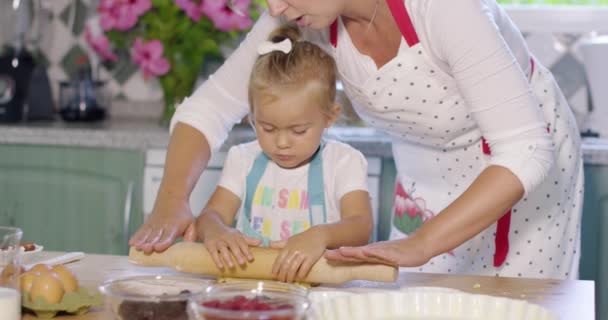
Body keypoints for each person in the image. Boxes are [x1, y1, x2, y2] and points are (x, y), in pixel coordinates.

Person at [130, 0, 583, 280]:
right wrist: (173, 201)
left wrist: (422, 244)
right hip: (424, 184)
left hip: (517, 182)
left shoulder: (444, 8)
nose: (276, 7)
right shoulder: (301, 13)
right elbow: (209, 107)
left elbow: (523, 150)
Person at [190, 26, 372, 283]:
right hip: (250, 289)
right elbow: (210, 216)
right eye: (267, 128)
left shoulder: (343, 163)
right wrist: (217, 231)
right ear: (252, 116)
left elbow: (360, 225)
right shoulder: (243, 160)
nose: (282, 143)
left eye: (298, 130)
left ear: (329, 117)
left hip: (319, 293)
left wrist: (320, 236)